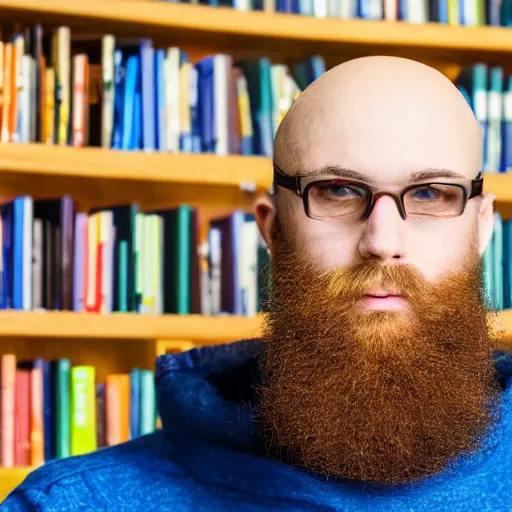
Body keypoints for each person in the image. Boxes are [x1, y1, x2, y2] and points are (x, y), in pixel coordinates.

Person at [2, 55, 512, 512]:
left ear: (482, 226)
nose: (382, 240)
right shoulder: (70, 505)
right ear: (272, 227)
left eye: (430, 194)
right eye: (336, 190)